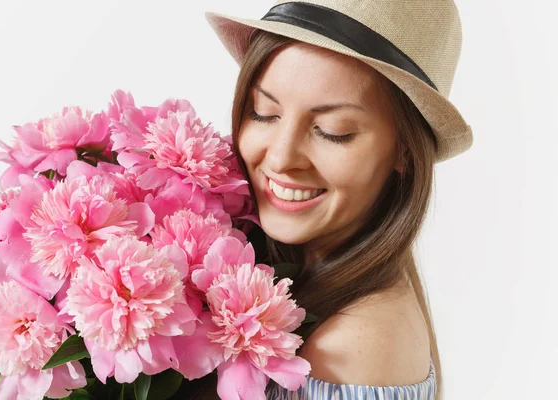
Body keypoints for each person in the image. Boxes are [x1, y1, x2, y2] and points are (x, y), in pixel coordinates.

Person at [203, 0, 473, 399]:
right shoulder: (291, 270)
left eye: (332, 131)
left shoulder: (351, 350)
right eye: (264, 113)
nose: (279, 158)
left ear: (405, 151)